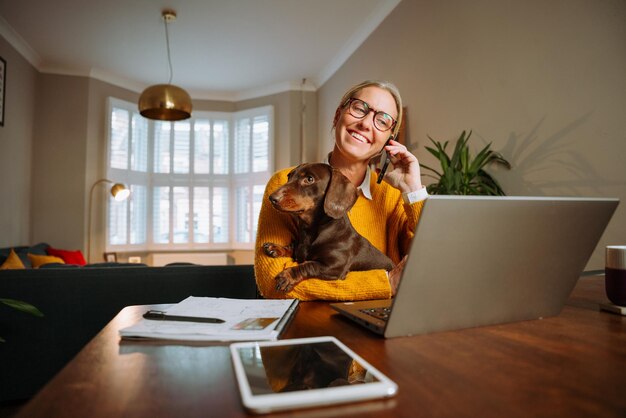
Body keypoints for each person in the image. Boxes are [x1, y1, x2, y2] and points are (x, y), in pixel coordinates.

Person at [254, 80, 428, 301]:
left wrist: (413, 190)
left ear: (389, 140)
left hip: (380, 325)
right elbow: (273, 283)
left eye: (382, 120)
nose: (366, 123)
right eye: (359, 108)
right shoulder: (286, 185)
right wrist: (385, 284)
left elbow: (434, 264)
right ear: (338, 115)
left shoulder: (393, 196)